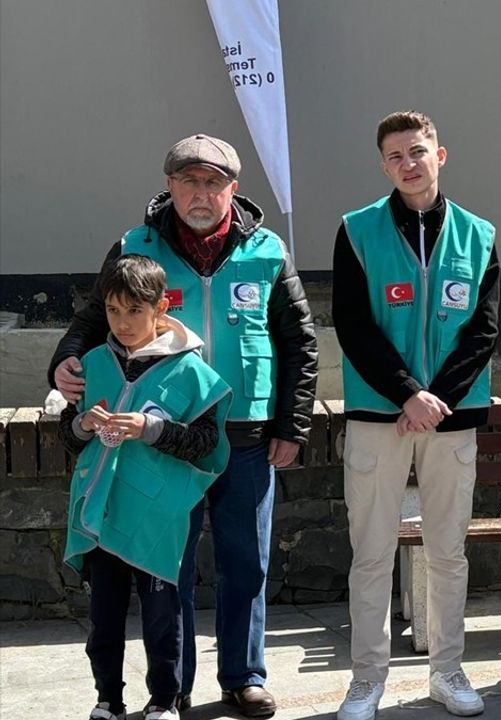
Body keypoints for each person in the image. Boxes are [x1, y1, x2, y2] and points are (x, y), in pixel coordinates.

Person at [49, 134, 317, 717]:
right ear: (169, 186)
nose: (201, 192)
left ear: (233, 189)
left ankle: (243, 675)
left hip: (245, 434)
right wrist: (64, 361)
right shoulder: (134, 245)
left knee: (245, 560)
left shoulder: (268, 250)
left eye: (213, 182)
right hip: (163, 442)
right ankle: (175, 686)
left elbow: (299, 342)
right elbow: (92, 321)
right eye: (189, 181)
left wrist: (292, 426)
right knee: (166, 565)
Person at [331, 111, 499, 719]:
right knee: (371, 552)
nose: (409, 162)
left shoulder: (478, 234)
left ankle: (447, 671)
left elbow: (483, 331)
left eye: (418, 150)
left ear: (441, 155)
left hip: (449, 418)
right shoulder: (357, 230)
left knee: (449, 551)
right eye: (397, 154)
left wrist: (437, 400)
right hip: (380, 414)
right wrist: (407, 394)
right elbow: (352, 325)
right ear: (384, 165)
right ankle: (366, 680)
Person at [61, 255, 232, 720]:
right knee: (104, 617)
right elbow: (67, 434)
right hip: (104, 508)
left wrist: (151, 430)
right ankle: (107, 700)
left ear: (162, 308)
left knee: (163, 614)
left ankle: (164, 699)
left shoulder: (192, 371)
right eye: (114, 311)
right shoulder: (95, 362)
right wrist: (81, 424)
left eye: (135, 310)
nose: (123, 322)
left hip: (160, 516)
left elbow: (207, 443)